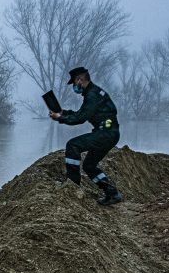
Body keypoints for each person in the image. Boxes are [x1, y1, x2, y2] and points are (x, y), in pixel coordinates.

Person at [49, 66, 123, 205]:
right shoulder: (93, 93)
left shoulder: (92, 95)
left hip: (105, 134)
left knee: (73, 145)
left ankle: (72, 185)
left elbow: (80, 118)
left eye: (74, 83)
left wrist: (60, 118)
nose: (74, 87)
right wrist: (62, 113)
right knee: (89, 166)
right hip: (108, 133)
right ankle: (112, 193)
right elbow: (80, 113)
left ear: (80, 80)